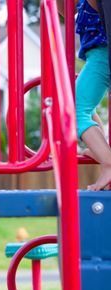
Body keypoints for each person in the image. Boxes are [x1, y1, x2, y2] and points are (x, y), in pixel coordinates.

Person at [58, 0, 111, 191]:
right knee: (82, 106)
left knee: (72, 109)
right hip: (98, 54)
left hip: (102, 54)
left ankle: (107, 161)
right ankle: (102, 151)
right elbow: (67, 12)